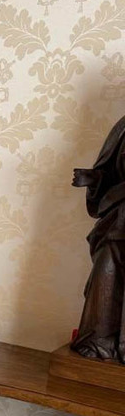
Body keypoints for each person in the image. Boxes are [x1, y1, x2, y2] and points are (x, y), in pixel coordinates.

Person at [72, 114, 125, 361]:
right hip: (118, 221)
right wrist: (95, 180)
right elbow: (110, 174)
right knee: (105, 274)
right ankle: (98, 342)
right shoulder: (123, 127)